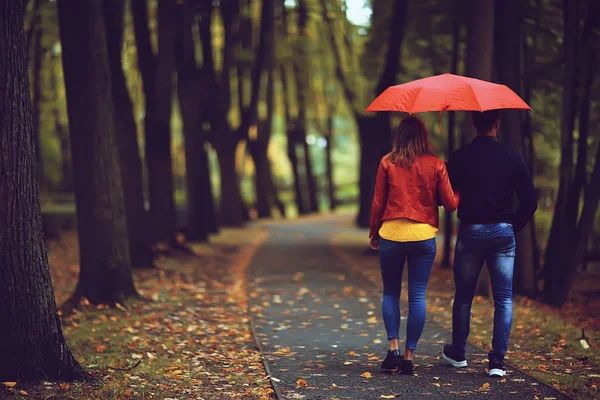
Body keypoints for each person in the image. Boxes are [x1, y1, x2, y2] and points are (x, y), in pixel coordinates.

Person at [442, 110, 537, 377]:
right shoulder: (512, 157)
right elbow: (530, 201)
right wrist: (511, 227)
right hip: (503, 233)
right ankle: (496, 362)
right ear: (497, 124)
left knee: (463, 296)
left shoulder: (460, 157)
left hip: (471, 230)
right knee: (504, 299)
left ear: (474, 123)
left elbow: (446, 195)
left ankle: (458, 353)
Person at [369, 116, 460, 375]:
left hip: (391, 235)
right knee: (417, 296)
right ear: (424, 137)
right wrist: (458, 192)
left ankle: (392, 351)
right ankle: (408, 358)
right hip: (423, 237)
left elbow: (378, 202)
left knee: (390, 293)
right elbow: (451, 204)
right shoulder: (436, 164)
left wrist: (374, 232)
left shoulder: (387, 162)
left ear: (399, 136)